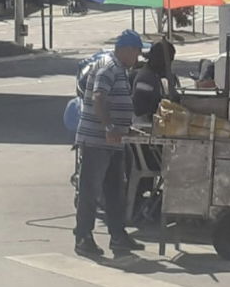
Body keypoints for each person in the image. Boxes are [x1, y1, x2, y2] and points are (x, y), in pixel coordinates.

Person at [74, 29, 145, 258]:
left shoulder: (120, 69)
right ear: (125, 49)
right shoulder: (109, 66)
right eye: (136, 52)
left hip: (113, 142)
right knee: (90, 190)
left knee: (115, 191)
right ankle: (83, 237)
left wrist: (124, 127)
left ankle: (118, 236)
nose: (138, 57)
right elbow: (98, 97)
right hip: (98, 140)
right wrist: (108, 127)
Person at [131, 38, 179, 119]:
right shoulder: (145, 79)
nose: (169, 66)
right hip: (145, 125)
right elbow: (141, 110)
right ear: (160, 61)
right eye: (168, 62)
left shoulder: (156, 76)